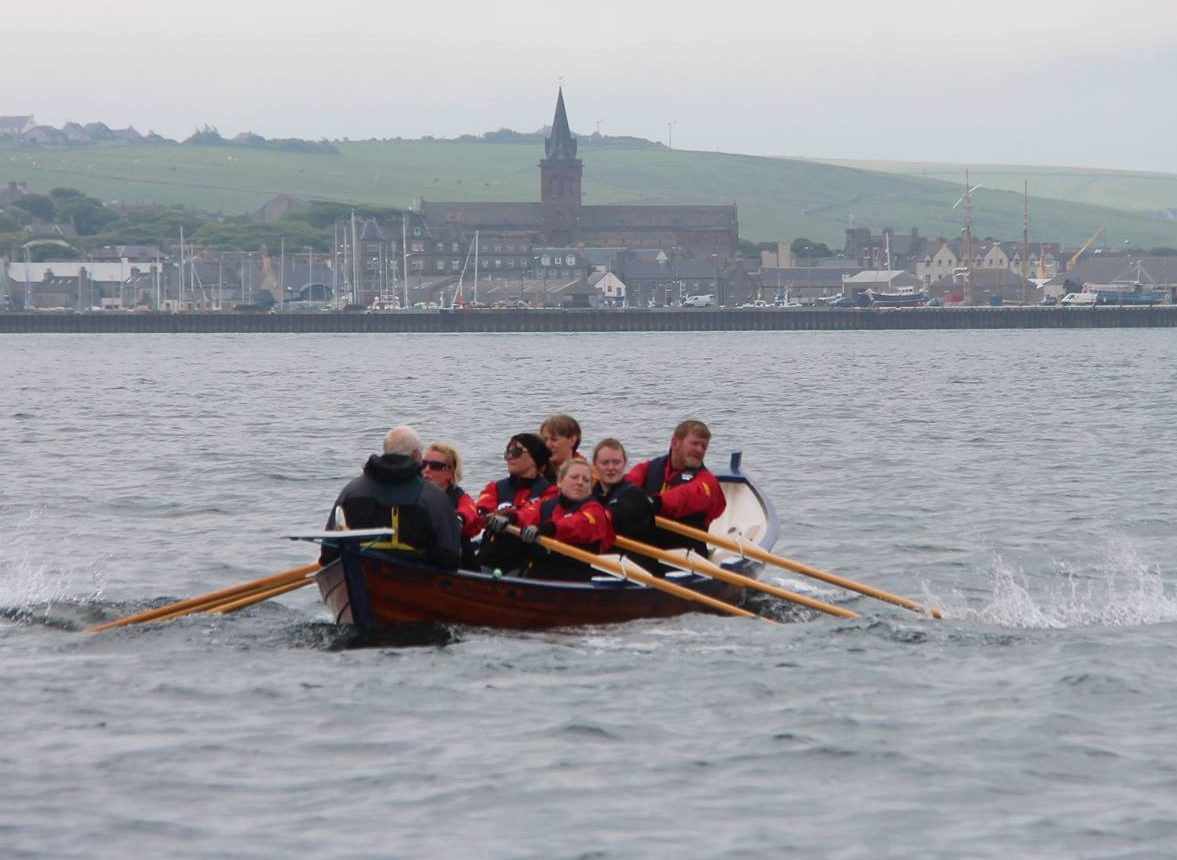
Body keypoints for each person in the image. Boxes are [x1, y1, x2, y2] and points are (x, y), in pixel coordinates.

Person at [319, 425, 460, 571]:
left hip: (360, 572)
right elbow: (450, 559)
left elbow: (328, 554)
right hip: (416, 582)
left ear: (385, 451)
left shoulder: (351, 491)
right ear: (416, 455)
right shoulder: (434, 498)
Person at [487, 459, 614, 581]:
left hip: (575, 579)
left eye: (586, 480)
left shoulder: (595, 510)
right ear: (560, 481)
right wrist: (510, 518)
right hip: (540, 573)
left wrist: (548, 528)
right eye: (574, 477)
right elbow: (526, 514)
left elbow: (576, 524)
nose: (580, 482)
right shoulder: (547, 504)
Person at [624, 419, 726, 558]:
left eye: (704, 446)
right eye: (695, 443)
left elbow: (685, 497)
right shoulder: (647, 468)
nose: (699, 450)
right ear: (675, 442)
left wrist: (655, 503)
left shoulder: (707, 482)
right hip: (645, 551)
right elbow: (626, 484)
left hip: (685, 558)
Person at [475, 433, 554, 570]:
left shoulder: (550, 492)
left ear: (534, 458)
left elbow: (534, 513)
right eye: (507, 452)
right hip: (490, 558)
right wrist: (488, 517)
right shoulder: (494, 487)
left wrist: (510, 517)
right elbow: (481, 512)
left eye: (516, 452)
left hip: (526, 562)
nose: (509, 457)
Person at [422, 441, 482, 568]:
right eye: (423, 464)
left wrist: (458, 518)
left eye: (435, 466)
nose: (426, 470)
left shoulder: (460, 497)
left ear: (450, 473)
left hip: (457, 561)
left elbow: (470, 512)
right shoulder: (415, 495)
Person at [591, 437, 655, 537]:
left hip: (633, 550)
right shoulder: (591, 494)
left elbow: (614, 515)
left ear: (624, 464)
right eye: (605, 463)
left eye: (616, 462)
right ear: (595, 465)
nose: (611, 468)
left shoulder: (636, 496)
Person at [539, 413, 585, 482]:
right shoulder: (536, 473)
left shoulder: (587, 476)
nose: (548, 445)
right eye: (545, 440)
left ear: (572, 440)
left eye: (554, 439)